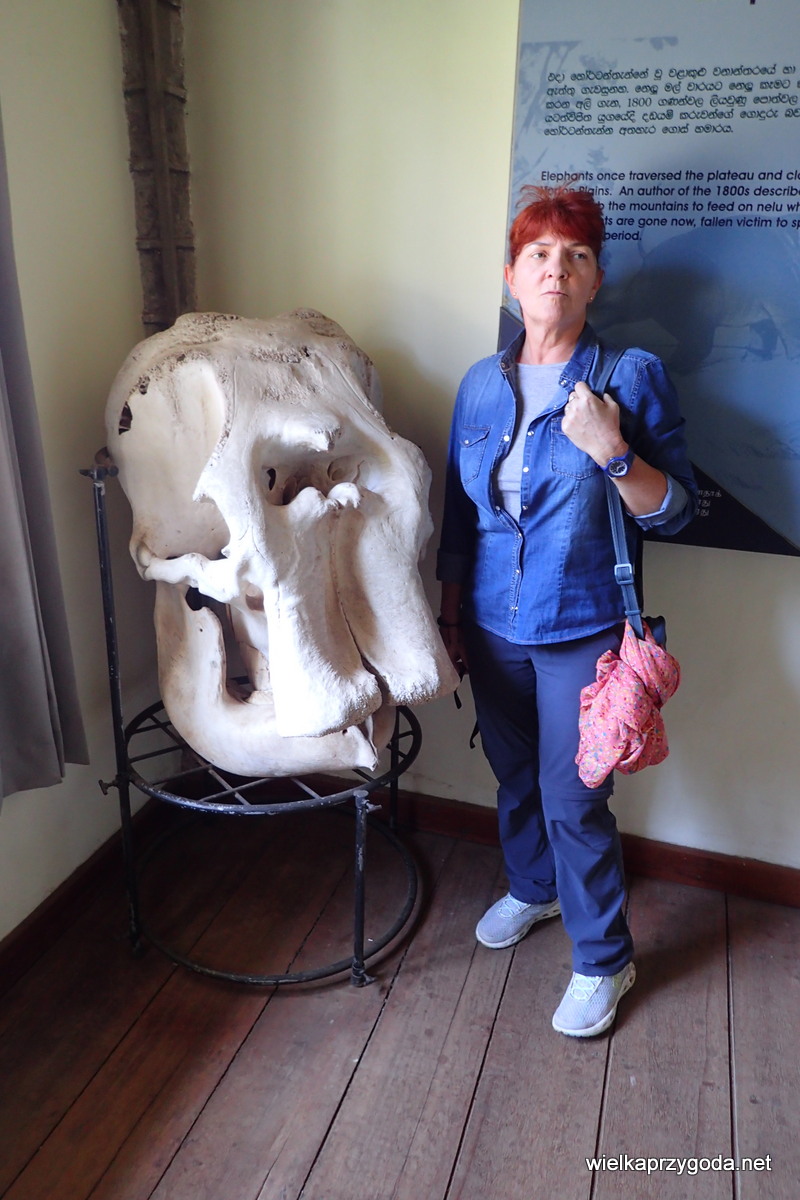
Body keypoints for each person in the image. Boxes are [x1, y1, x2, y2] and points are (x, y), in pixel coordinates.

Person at [436, 182, 697, 1038]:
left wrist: (612, 450)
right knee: (514, 775)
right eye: (540, 254)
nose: (557, 269)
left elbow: (676, 511)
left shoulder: (627, 377)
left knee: (573, 796)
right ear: (512, 276)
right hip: (489, 623)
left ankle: (604, 960)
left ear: (595, 281)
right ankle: (534, 887)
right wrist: (449, 617)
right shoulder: (479, 385)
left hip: (582, 625)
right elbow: (460, 516)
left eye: (577, 256)